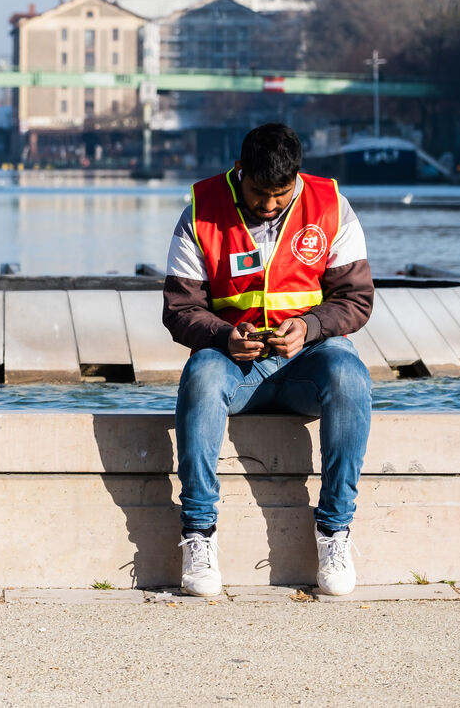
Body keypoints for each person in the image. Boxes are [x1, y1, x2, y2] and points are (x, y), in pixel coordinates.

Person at [162, 123, 373, 597]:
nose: (271, 204)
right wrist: (223, 336)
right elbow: (179, 310)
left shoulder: (331, 206)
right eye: (260, 193)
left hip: (310, 356)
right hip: (233, 361)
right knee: (200, 377)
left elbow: (356, 299)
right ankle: (198, 533)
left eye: (282, 193)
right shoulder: (200, 211)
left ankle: (335, 531)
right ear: (240, 171)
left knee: (351, 376)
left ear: (297, 176)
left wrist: (310, 326)